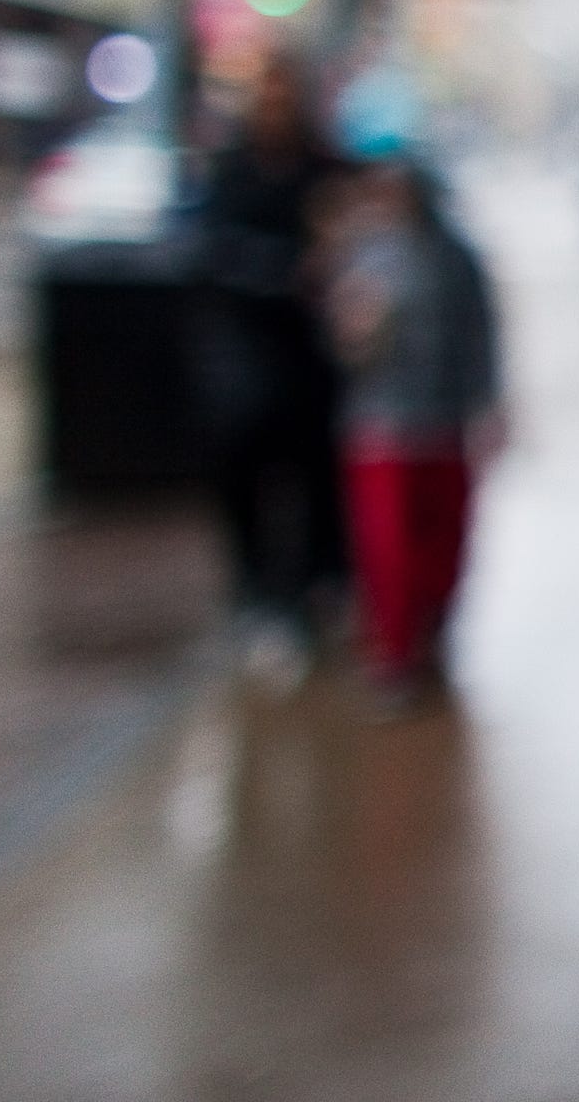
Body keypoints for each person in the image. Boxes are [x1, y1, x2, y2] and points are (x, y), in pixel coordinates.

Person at [192, 55, 351, 683]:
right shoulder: (233, 170)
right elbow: (211, 253)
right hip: (251, 353)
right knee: (247, 472)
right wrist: (284, 273)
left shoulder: (323, 169)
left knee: (316, 478)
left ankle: (315, 586)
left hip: (313, 361)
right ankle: (260, 595)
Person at [322, 155, 501, 713]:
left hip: (443, 423)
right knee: (388, 548)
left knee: (443, 541)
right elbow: (341, 340)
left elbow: (480, 333)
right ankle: (394, 652)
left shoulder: (456, 257)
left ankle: (431, 629)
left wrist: (487, 403)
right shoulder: (363, 254)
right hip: (380, 426)